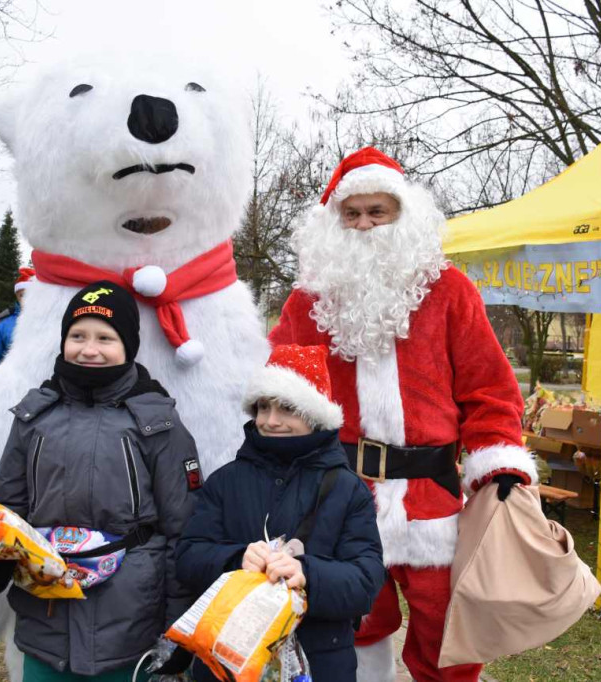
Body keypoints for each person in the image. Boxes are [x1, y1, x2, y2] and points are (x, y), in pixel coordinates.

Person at [269, 148, 536, 682]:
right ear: (335, 222)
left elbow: (489, 388)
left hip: (429, 492)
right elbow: (282, 392)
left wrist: (500, 465)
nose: (365, 224)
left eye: (378, 211)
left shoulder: (450, 292)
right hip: (341, 493)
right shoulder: (308, 302)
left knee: (447, 625)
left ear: (402, 214)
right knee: (353, 619)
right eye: (353, 213)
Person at [0, 281, 198, 680]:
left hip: (129, 624)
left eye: (105, 337)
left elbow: (183, 530)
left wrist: (180, 625)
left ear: (127, 345)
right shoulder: (35, 417)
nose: (89, 348)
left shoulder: (157, 422)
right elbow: (8, 509)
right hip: (47, 620)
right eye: (77, 336)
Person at [176, 344, 386, 682]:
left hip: (320, 662)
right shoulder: (226, 481)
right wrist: (235, 559)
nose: (270, 421)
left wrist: (308, 575)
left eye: (287, 408)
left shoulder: (348, 490)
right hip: (228, 660)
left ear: (315, 414)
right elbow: (188, 557)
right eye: (262, 407)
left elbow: (366, 581)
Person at [0, 268, 35, 381]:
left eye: (30, 295)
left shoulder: (46, 322)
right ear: (17, 297)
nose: (26, 300)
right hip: (10, 383)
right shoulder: (3, 324)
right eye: (22, 295)